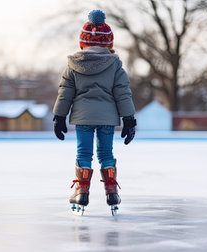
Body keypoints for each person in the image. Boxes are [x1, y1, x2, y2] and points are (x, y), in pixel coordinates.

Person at [52, 9, 136, 210]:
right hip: (107, 118)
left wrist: (59, 116)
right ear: (109, 43)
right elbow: (122, 93)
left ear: (83, 41)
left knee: (84, 153)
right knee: (106, 153)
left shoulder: (73, 65)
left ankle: (82, 191)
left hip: (83, 118)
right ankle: (112, 192)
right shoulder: (115, 65)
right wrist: (129, 118)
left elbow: (65, 92)